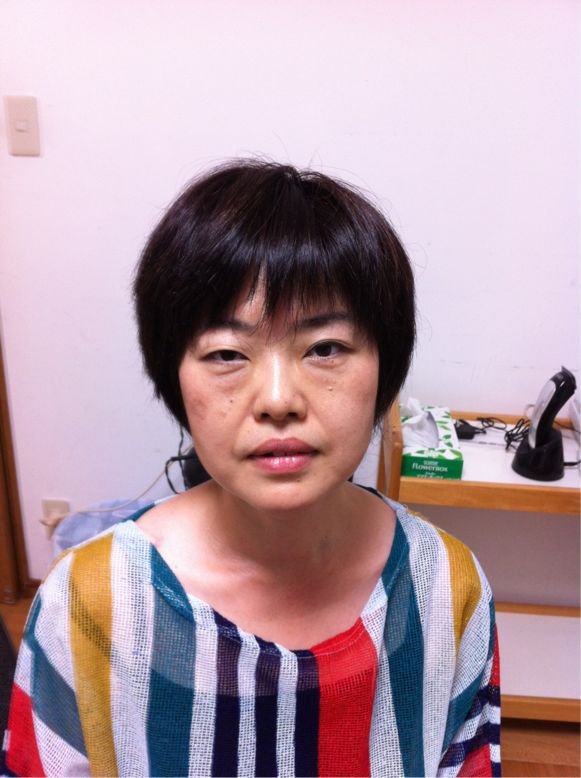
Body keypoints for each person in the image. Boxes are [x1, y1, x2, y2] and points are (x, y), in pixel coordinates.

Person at [3, 160, 500, 777]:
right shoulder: (89, 603)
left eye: (325, 348)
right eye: (226, 353)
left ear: (384, 366)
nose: (278, 400)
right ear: (174, 376)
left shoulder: (447, 588)